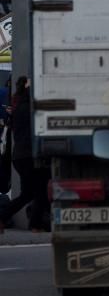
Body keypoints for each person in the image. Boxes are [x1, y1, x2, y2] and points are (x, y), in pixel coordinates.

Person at [0, 77, 48, 233]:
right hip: (30, 156)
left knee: (28, 193)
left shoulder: (17, 107)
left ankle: (4, 218)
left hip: (19, 156)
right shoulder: (31, 108)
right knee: (40, 191)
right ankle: (35, 224)